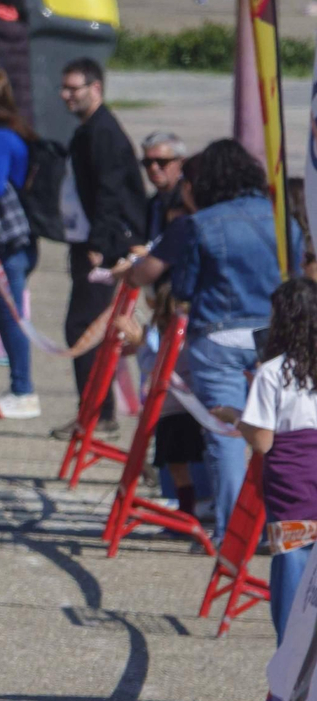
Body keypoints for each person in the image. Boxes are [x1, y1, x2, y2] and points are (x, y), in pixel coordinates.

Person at [124, 140, 290, 543]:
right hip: (274, 332)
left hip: (217, 336)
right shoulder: (281, 219)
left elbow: (183, 286)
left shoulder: (203, 224)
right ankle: (282, 523)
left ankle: (231, 531)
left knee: (224, 434)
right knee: (282, 432)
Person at [52, 57, 145, 440]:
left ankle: (99, 415)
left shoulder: (102, 132)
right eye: (65, 88)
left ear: (96, 89)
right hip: (89, 240)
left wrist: (100, 245)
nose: (66, 95)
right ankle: (94, 411)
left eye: (74, 88)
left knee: (84, 328)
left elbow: (111, 192)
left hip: (105, 246)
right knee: (81, 327)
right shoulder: (88, 130)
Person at [240, 278, 317, 644]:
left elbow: (262, 440)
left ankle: (290, 653)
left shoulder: (273, 372)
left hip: (293, 479)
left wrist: (238, 421)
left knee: (291, 563)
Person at [0, 70, 39, 416]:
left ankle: (23, 389)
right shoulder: (20, 131)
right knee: (10, 312)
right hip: (25, 236)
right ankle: (19, 386)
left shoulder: (1, 137)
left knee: (10, 314)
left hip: (9, 240)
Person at [139, 131, 186, 241]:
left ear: (181, 162)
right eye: (148, 162)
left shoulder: (188, 202)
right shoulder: (153, 203)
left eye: (162, 162)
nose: (154, 168)